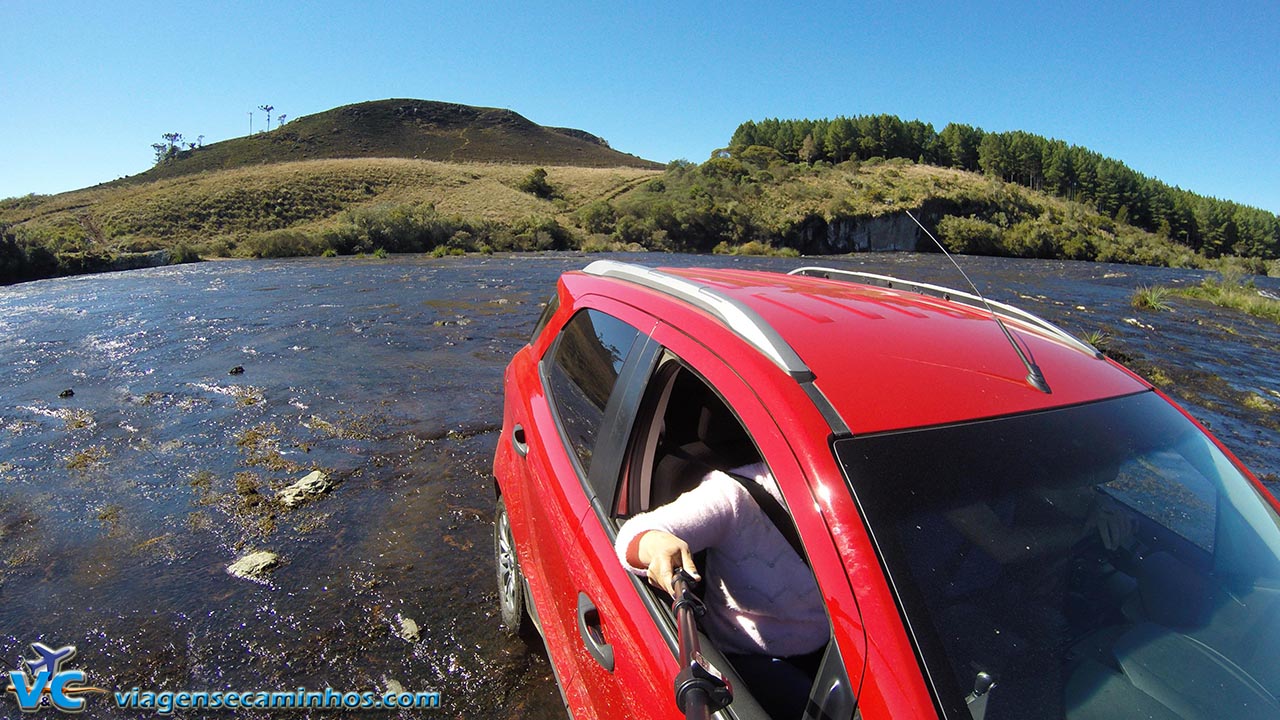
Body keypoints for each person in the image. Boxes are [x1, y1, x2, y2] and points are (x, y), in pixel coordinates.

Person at [614, 461, 827, 720]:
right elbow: (632, 535)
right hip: (750, 656)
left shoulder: (867, 488)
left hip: (839, 645)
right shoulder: (732, 496)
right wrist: (657, 544)